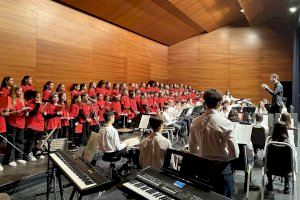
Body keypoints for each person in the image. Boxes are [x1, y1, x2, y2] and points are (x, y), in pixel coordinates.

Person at [189, 88, 239, 198]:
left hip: (202, 169)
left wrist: (205, 152)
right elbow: (235, 153)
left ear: (205, 103)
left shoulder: (195, 122)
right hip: (222, 170)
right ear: (220, 103)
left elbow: (192, 149)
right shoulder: (227, 123)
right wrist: (220, 155)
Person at [265, 122, 297, 194]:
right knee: (287, 163)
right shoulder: (290, 142)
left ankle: (270, 183)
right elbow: (293, 158)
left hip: (271, 169)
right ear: (285, 130)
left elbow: (265, 156)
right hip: (286, 170)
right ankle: (286, 185)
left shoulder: (269, 141)